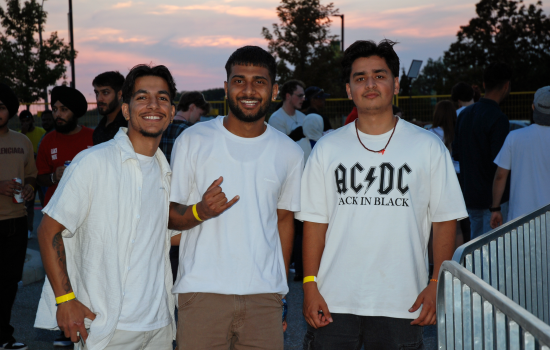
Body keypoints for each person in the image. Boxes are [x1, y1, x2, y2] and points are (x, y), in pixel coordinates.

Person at [298, 39, 467, 350]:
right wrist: (309, 286)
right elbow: (315, 223)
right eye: (359, 78)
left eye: (380, 75)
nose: (370, 84)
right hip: (335, 299)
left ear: (396, 84)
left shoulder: (428, 147)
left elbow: (445, 220)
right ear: (349, 90)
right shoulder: (327, 148)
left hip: (402, 300)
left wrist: (435, 284)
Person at [34, 64, 180, 350]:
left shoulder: (166, 173)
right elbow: (48, 230)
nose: (153, 105)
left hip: (159, 325)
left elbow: (162, 238)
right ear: (126, 110)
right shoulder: (92, 162)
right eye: (142, 97)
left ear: (172, 112)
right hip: (108, 328)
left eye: (162, 98)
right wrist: (65, 301)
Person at [169, 45, 303, 350]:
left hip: (264, 297)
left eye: (259, 81)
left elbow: (284, 221)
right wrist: (201, 210)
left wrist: (279, 290)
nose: (249, 89)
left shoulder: (290, 152)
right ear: (227, 85)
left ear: (274, 89)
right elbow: (169, 214)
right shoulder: (192, 140)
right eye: (239, 80)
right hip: (202, 292)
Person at [452, 62, 512, 239]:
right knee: (493, 252)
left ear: (484, 84)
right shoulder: (498, 119)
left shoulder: (464, 115)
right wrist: (496, 206)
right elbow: (500, 165)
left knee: (475, 250)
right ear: (507, 85)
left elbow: (456, 154)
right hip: (493, 201)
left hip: (470, 195)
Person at [0, 83, 37, 350]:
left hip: (16, 221)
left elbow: (32, 174)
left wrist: (30, 187)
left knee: (9, 283)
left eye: (1, 107)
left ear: (10, 110)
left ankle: (4, 336)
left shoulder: (22, 141)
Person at [490, 86, 550, 228]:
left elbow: (500, 175)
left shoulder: (515, 137)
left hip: (520, 220)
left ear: (533, 107)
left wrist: (495, 208)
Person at [36, 86, 94, 208]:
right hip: (55, 210)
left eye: (64, 109)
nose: (57, 114)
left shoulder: (93, 137)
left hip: (88, 209)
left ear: (75, 112)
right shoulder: (47, 140)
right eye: (55, 109)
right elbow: (39, 177)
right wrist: (54, 177)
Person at [159, 91, 210, 165]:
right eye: (199, 114)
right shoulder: (191, 131)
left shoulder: (162, 127)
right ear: (192, 107)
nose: (199, 119)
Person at [18, 110, 45, 238]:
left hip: (42, 173)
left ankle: (47, 228)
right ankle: (28, 229)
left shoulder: (41, 132)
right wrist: (23, 132)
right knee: (28, 203)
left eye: (27, 120)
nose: (26, 123)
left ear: (33, 120)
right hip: (28, 175)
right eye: (23, 121)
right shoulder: (19, 135)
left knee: (46, 201)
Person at [92, 71, 127, 145]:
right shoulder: (99, 129)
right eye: (97, 93)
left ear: (119, 94)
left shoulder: (129, 126)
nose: (99, 99)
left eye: (105, 92)